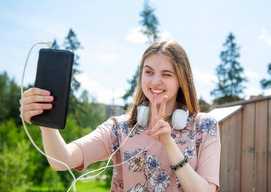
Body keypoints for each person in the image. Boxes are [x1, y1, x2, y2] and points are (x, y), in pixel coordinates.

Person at [20, 40, 221, 191]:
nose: (155, 81)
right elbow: (60, 160)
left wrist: (169, 144)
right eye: (149, 72)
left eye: (167, 74)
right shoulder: (121, 127)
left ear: (181, 80)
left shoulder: (205, 126)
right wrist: (44, 118)